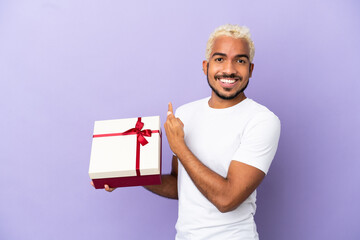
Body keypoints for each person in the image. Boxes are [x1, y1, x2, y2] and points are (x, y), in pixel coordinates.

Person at [93, 24, 281, 240]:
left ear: (250, 69)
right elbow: (178, 185)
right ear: (205, 66)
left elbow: (227, 199)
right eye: (219, 59)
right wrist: (129, 175)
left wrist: (180, 147)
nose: (229, 69)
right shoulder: (186, 113)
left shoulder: (262, 121)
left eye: (240, 60)